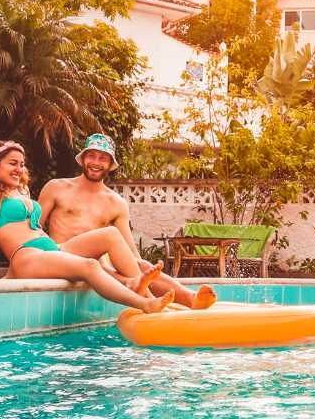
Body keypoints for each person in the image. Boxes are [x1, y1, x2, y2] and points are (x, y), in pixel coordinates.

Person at [0, 139, 174, 314]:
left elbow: (34, 227)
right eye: (12, 163)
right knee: (90, 266)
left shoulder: (20, 189)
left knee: (110, 235)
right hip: (26, 256)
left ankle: (144, 291)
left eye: (21, 164)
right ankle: (144, 304)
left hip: (52, 249)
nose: (19, 169)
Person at [38, 133, 216, 310]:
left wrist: (143, 268)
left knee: (141, 265)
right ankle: (147, 298)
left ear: (110, 165)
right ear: (83, 158)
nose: (96, 162)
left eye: (103, 158)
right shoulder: (56, 187)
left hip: (97, 263)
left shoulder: (116, 202)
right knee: (107, 255)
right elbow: (34, 228)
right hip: (61, 256)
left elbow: (129, 249)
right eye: (91, 155)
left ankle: (190, 299)